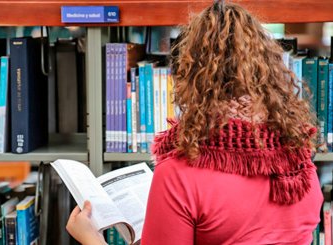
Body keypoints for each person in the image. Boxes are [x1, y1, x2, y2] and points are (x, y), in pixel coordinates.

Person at [67, 1, 323, 244]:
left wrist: (91, 238)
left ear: (190, 78)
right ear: (270, 73)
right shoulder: (299, 162)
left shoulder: (179, 174)